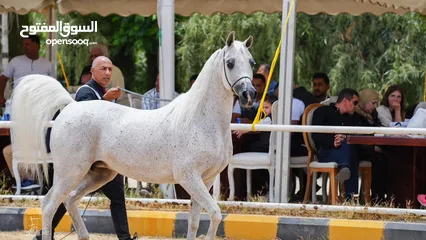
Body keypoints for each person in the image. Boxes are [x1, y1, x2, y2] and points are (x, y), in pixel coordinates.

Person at [34, 56, 136, 240]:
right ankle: (44, 234)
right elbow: (82, 120)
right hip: (88, 156)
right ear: (93, 72)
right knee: (66, 193)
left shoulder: (104, 92)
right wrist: (106, 99)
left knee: (113, 197)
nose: (107, 73)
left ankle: (124, 237)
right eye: (103, 69)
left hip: (106, 155)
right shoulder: (86, 91)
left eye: (110, 69)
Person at [0, 35, 54, 191]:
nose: (25, 46)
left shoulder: (47, 64)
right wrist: (1, 97)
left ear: (37, 45)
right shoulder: (16, 61)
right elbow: (3, 78)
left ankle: (34, 182)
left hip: (41, 110)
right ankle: (25, 182)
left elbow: (53, 86)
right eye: (24, 44)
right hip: (18, 108)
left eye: (28, 44)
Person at [312, 88, 360, 199]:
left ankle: (344, 168)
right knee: (350, 149)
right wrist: (332, 142)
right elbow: (315, 135)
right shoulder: (322, 111)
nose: (356, 106)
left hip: (346, 151)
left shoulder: (353, 118)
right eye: (355, 102)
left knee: (349, 143)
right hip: (326, 151)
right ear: (345, 101)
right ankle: (351, 198)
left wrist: (345, 138)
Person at [354, 89, 387, 203]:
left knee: (388, 157)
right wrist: (374, 147)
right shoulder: (355, 113)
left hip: (372, 147)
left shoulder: (373, 114)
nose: (375, 106)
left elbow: (378, 128)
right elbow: (357, 138)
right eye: (373, 103)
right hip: (358, 149)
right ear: (364, 101)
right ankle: (376, 198)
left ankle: (382, 196)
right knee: (379, 159)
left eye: (376, 103)